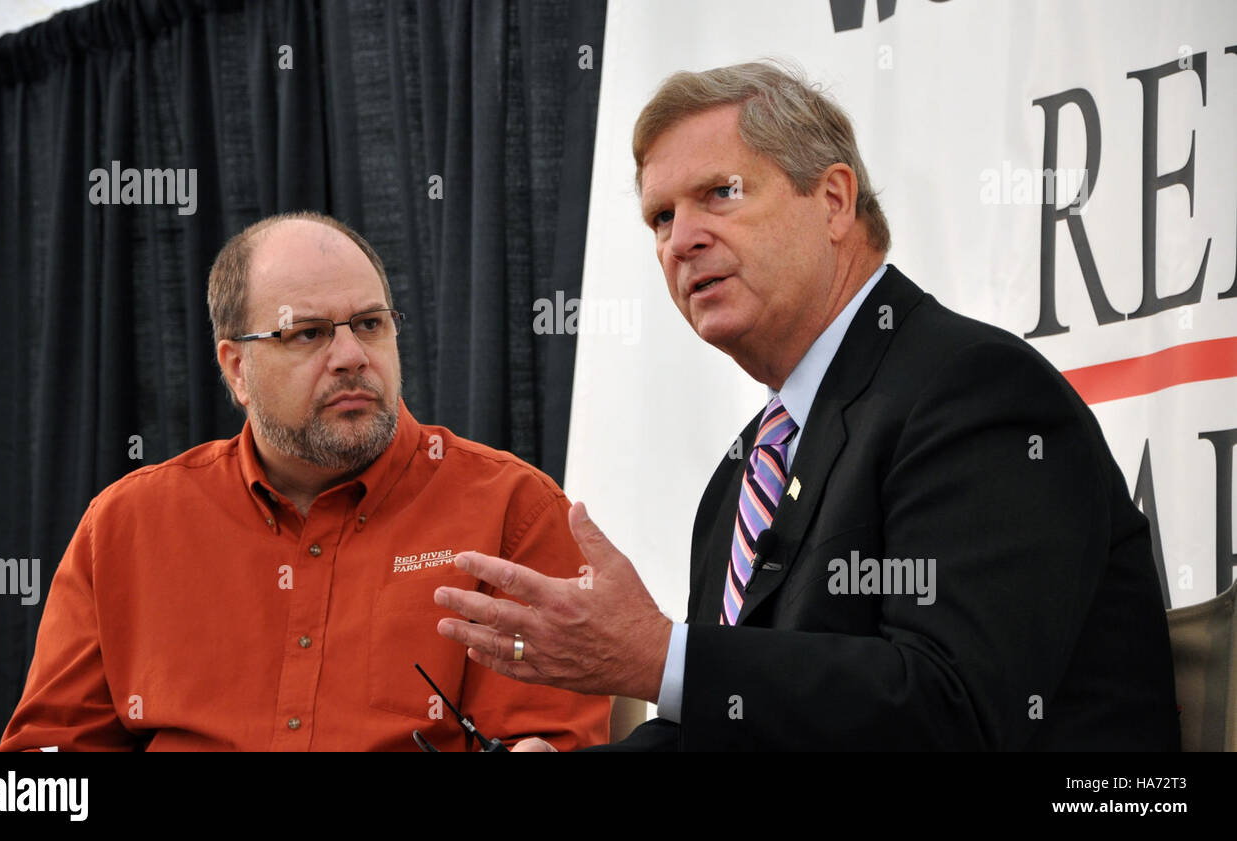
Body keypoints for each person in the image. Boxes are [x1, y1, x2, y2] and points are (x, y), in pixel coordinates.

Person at [433, 60, 1181, 750]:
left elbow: (956, 710)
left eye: (720, 193)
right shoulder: (742, 474)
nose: (682, 240)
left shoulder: (975, 391)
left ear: (832, 200)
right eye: (660, 218)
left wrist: (660, 654)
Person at [0, 212, 610, 751]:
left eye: (370, 324)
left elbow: (547, 738)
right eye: (309, 333)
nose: (350, 356)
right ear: (237, 369)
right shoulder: (127, 525)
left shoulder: (512, 510)